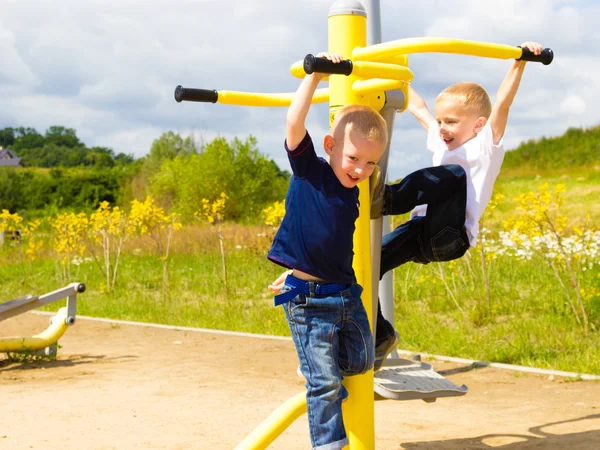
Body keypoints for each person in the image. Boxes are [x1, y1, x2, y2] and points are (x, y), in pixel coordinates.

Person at [369, 41, 545, 367]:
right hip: (420, 232)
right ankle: (380, 336)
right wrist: (395, 74)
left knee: (449, 176)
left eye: (450, 121)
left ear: (477, 125)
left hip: (450, 235)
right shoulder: (439, 137)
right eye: (440, 121)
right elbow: (418, 107)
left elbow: (502, 106)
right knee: (368, 264)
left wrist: (520, 62)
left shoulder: (486, 144)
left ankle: (388, 199)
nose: (441, 128)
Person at [267, 52, 387, 450]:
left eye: (371, 163)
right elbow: (293, 122)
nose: (360, 169)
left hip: (345, 294)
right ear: (331, 145)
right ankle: (329, 444)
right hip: (306, 301)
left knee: (362, 363)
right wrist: (315, 75)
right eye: (354, 158)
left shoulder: (356, 191)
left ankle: (317, 368)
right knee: (325, 386)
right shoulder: (311, 171)